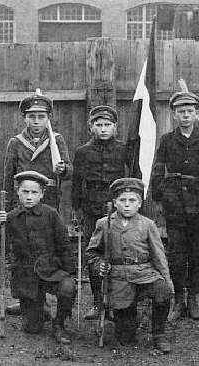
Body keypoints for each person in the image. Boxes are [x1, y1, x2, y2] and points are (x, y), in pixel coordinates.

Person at [151, 90, 199, 321]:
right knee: (177, 252)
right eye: (181, 112)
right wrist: (159, 196)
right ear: (174, 115)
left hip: (198, 202)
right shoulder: (168, 140)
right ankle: (178, 298)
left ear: (196, 113)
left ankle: (194, 299)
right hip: (175, 202)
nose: (186, 116)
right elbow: (159, 169)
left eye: (190, 111)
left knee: (197, 252)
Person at [2, 91, 71, 315]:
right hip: (23, 199)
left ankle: (47, 297)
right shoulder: (16, 142)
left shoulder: (56, 140)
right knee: (21, 248)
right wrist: (9, 206)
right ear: (25, 118)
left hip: (48, 198)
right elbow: (8, 175)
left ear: (48, 118)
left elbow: (68, 170)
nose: (36, 121)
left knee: (46, 246)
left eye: (41, 116)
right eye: (32, 116)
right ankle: (25, 295)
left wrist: (63, 169)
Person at [86, 178, 173, 352]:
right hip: (118, 278)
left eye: (132, 200)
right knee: (125, 337)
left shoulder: (148, 225)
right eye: (122, 200)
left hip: (144, 273)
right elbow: (91, 253)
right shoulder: (104, 224)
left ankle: (159, 334)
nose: (127, 205)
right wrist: (100, 264)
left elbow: (159, 255)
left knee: (162, 291)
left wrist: (167, 279)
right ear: (114, 203)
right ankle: (126, 316)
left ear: (139, 203)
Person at [0, 171, 76, 344]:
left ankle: (59, 325)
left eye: (34, 193)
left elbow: (64, 245)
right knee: (32, 328)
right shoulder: (11, 217)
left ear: (42, 194)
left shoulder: (51, 214)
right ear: (18, 192)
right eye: (25, 192)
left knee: (68, 287)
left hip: (51, 270)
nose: (29, 197)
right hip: (26, 276)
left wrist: (69, 273)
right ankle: (39, 309)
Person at [72, 105, 134, 320]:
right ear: (91, 127)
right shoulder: (82, 152)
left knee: (117, 253)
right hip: (92, 209)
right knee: (94, 255)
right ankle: (98, 302)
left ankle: (116, 301)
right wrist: (77, 209)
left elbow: (134, 176)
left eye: (108, 125)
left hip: (117, 208)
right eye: (99, 125)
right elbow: (76, 183)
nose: (103, 129)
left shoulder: (124, 149)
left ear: (115, 127)